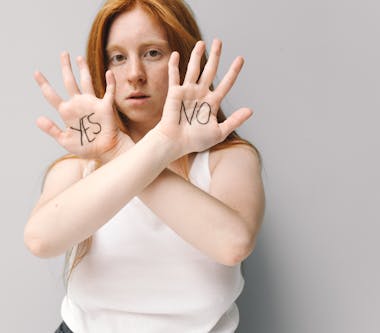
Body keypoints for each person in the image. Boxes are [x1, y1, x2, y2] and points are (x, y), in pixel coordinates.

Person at [24, 0, 265, 332]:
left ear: (182, 57)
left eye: (153, 53)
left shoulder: (230, 158)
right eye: (118, 58)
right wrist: (129, 151)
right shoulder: (80, 166)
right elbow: (41, 240)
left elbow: (232, 244)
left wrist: (135, 148)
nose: (135, 74)